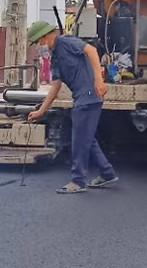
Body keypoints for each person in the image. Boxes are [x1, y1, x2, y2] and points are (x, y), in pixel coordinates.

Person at [26, 20, 118, 194]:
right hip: (82, 97)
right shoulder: (55, 58)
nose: (39, 47)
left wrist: (98, 79)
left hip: (90, 94)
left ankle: (78, 181)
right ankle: (107, 173)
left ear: (45, 37)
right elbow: (55, 86)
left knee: (79, 139)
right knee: (87, 138)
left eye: (39, 42)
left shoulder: (66, 42)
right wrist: (41, 111)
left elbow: (90, 50)